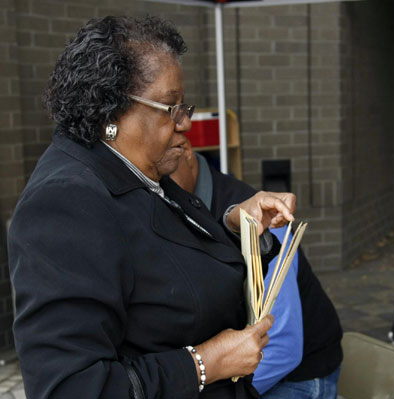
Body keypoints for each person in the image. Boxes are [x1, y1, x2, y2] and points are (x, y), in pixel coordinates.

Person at [7, 16, 298, 399]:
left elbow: (163, 265)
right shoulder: (64, 204)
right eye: (169, 108)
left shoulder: (135, 168)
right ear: (110, 111)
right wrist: (204, 363)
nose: (186, 124)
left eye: (185, 106)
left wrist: (234, 226)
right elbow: (70, 386)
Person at [170, 139, 344, 398]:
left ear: (184, 151)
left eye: (161, 172)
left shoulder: (261, 216)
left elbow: (283, 349)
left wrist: (211, 386)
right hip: (231, 371)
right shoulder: (174, 209)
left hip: (298, 376)